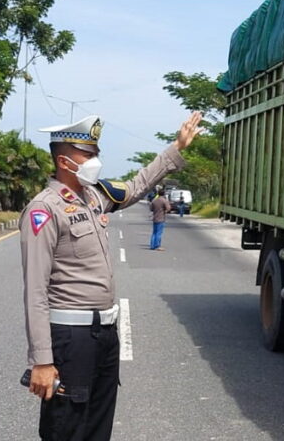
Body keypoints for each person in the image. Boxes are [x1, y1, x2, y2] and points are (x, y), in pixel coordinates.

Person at [20, 111, 202, 441]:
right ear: (64, 161)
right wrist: (43, 361)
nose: (96, 161)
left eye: (96, 154)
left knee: (97, 427)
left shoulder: (92, 198)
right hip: (70, 338)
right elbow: (35, 291)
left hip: (103, 334)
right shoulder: (44, 209)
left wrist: (176, 147)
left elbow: (135, 186)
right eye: (88, 155)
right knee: (67, 429)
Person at [149, 185, 171, 250]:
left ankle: (152, 246)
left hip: (155, 218)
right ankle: (157, 246)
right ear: (163, 194)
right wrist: (165, 210)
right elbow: (168, 208)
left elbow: (151, 209)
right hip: (161, 218)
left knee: (154, 232)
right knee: (159, 233)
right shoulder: (164, 200)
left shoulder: (154, 200)